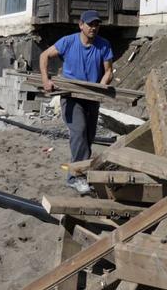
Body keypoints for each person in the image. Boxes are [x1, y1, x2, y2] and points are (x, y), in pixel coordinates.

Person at [39, 10, 114, 194]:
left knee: (87, 138)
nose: (93, 28)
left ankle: (80, 173)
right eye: (90, 24)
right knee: (79, 132)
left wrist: (101, 86)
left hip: (91, 97)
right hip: (71, 96)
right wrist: (45, 80)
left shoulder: (103, 45)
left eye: (96, 24)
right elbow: (44, 56)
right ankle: (75, 177)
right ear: (81, 25)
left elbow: (109, 71)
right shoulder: (68, 42)